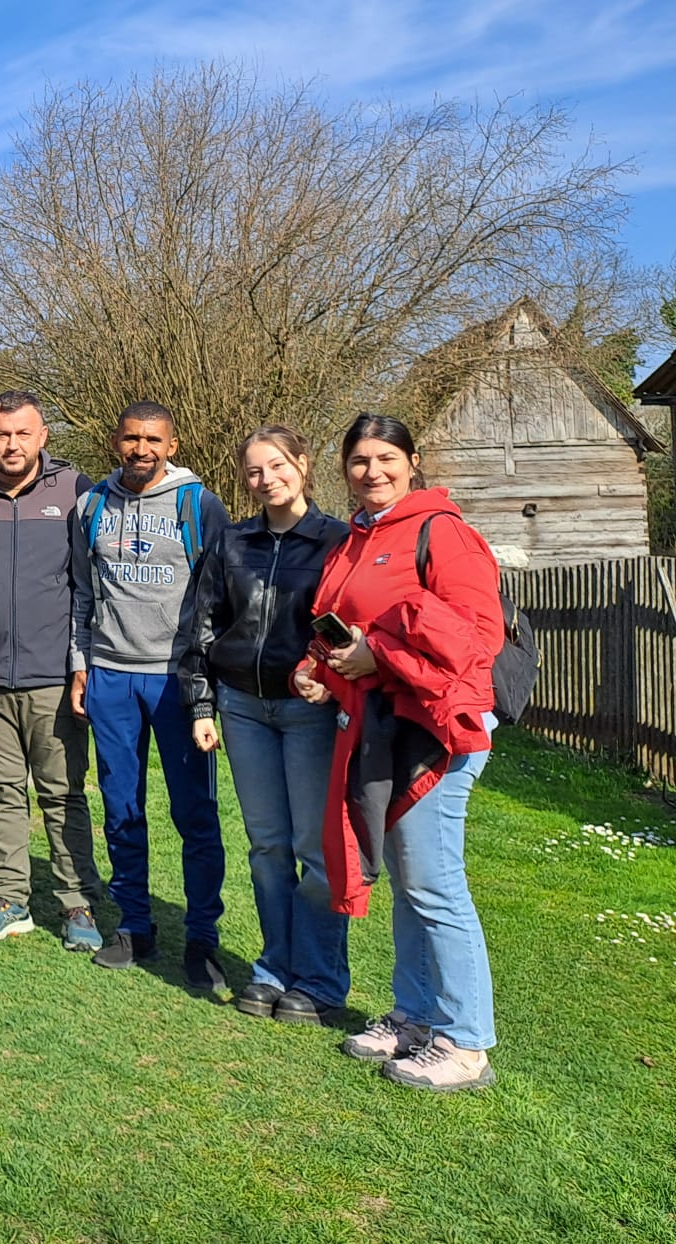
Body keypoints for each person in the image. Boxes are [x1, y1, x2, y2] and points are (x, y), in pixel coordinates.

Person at [296, 414, 503, 1092]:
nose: (372, 471)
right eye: (359, 460)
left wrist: (374, 655)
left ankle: (467, 1041)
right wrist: (318, 669)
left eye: (386, 457)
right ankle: (414, 1017)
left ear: (413, 462)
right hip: (379, 727)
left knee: (436, 884)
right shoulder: (355, 539)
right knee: (414, 884)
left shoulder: (441, 532)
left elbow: (479, 635)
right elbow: (337, 631)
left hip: (437, 731)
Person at [179, 425, 349, 1021]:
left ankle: (321, 979)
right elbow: (201, 624)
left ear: (302, 464)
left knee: (315, 849)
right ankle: (274, 967)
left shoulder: (337, 541)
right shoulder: (231, 543)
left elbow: (346, 625)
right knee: (267, 847)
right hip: (243, 710)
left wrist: (325, 673)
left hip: (310, 712)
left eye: (276, 466)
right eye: (254, 471)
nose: (266, 480)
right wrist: (202, 704)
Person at [70, 400, 230, 989]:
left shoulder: (199, 507)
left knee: (195, 813)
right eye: (132, 438)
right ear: (116, 441)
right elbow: (80, 595)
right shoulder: (90, 507)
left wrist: (209, 687)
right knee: (122, 809)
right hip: (111, 675)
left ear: (174, 445)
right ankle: (134, 924)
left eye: (153, 440)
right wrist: (79, 665)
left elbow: (219, 601)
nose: (142, 449)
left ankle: (202, 937)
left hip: (177, 681)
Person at [0, 392, 104, 953]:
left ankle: (77, 902)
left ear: (43, 437)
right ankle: (8, 899)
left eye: (23, 434)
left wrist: (84, 663)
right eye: (2, 434)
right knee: (1, 791)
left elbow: (91, 582)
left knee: (63, 793)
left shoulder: (77, 492)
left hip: (55, 677)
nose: (12, 445)